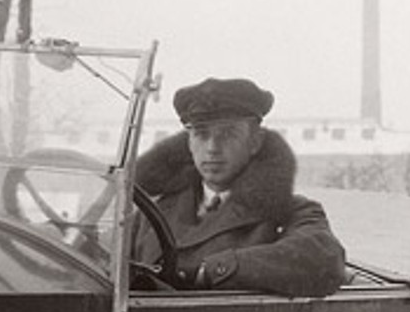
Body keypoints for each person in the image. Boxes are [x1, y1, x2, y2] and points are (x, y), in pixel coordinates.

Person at [130, 76, 347, 297]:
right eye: (201, 134)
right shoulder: (152, 213)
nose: (213, 148)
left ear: (255, 142)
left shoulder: (289, 212)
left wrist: (212, 270)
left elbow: (324, 259)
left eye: (228, 134)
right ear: (189, 142)